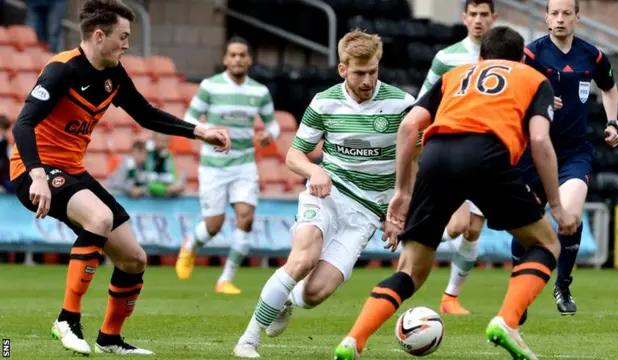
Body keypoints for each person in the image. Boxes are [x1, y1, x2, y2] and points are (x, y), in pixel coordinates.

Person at [333, 26, 579, 360]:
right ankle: (507, 322)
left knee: (410, 271)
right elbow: (539, 139)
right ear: (522, 58)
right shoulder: (533, 78)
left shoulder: (456, 75)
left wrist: (403, 191)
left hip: (436, 157)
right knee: (545, 243)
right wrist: (557, 205)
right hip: (488, 155)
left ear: (480, 57)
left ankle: (353, 341)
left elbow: (408, 127)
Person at [9, 0, 230, 356]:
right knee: (100, 218)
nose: (128, 44)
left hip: (72, 171)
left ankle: (110, 338)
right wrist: (36, 175)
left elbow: (145, 113)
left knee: (133, 258)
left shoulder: (113, 73)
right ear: (99, 35)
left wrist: (199, 131)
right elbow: (23, 124)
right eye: (123, 36)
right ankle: (67, 319)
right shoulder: (61, 70)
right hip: (34, 171)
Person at [232, 29, 415, 358]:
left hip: (367, 214)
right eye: (359, 73)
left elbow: (415, 161)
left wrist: (398, 212)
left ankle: (288, 299)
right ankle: (248, 339)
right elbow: (293, 156)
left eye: (373, 71)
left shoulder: (401, 105)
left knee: (313, 295)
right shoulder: (324, 101)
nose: (367, 80)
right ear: (343, 69)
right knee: (303, 258)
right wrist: (315, 170)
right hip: (328, 195)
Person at [514, 0, 618, 323]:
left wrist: (612, 123)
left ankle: (562, 284)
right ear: (546, 17)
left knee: (569, 217)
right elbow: (513, 92)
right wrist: (538, 97)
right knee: (526, 224)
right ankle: (520, 292)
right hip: (534, 152)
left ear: (577, 17)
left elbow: (610, 88)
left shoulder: (593, 56)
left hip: (574, 153)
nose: (560, 19)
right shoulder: (531, 55)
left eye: (566, 14)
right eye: (554, 13)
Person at [175, 36, 279, 295]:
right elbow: (189, 118)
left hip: (244, 163)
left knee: (246, 216)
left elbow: (273, 123)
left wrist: (269, 135)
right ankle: (190, 245)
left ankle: (226, 280)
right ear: (225, 59)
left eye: (242, 55)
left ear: (250, 59)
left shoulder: (259, 91)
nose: (237, 59)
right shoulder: (210, 86)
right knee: (214, 225)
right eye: (232, 55)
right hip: (213, 164)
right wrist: (208, 132)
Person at [416, 0, 497, 316]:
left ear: (494, 18)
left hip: (488, 154)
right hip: (451, 149)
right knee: (457, 225)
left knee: (473, 230)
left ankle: (450, 298)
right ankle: (416, 249)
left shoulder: (504, 58)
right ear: (464, 18)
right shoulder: (446, 57)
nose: (478, 21)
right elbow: (426, 99)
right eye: (473, 14)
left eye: (484, 15)